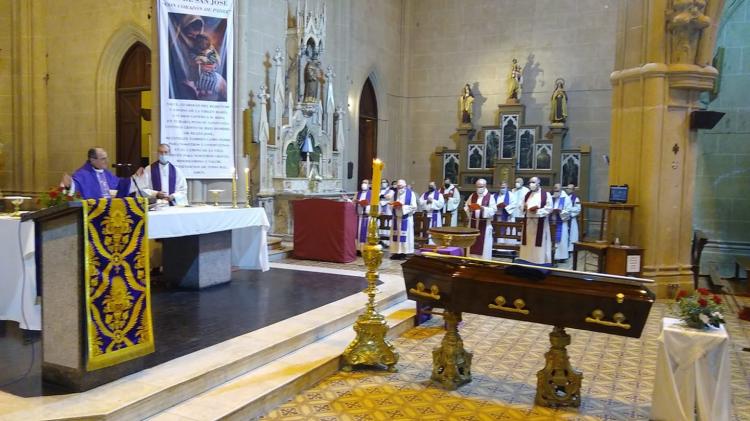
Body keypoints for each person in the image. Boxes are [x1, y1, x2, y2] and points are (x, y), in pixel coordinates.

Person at [169, 14, 227, 101]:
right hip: (189, 79)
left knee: (222, 85)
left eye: (196, 31)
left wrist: (211, 64)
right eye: (190, 32)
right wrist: (198, 63)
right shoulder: (177, 44)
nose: (194, 34)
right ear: (184, 28)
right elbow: (179, 66)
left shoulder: (203, 42)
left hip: (210, 77)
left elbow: (217, 62)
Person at [60, 148, 136, 199]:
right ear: (92, 160)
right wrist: (69, 185)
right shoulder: (82, 174)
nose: (107, 161)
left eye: (107, 158)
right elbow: (75, 186)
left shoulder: (106, 173)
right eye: (103, 159)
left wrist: (135, 178)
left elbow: (120, 184)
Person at [520, 177, 553, 265]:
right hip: (528, 223)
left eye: (533, 182)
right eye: (530, 182)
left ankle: (539, 260)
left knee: (539, 243)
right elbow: (521, 206)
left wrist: (537, 211)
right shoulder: (527, 194)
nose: (531, 184)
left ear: (539, 183)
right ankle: (526, 259)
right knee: (528, 242)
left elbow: (549, 208)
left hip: (540, 222)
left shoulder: (546, 194)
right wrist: (524, 207)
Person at [464, 179, 497, 259]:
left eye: (481, 186)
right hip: (473, 223)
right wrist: (469, 209)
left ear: (485, 186)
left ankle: (484, 260)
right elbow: (466, 206)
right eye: (478, 186)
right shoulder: (472, 196)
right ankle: (471, 259)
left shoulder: (490, 197)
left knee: (484, 245)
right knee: (472, 244)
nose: (479, 188)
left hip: (484, 225)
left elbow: (493, 210)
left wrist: (483, 209)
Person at [388, 179, 417, 260]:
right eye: (398, 186)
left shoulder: (411, 194)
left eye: (401, 186)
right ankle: (396, 252)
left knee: (405, 236)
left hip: (406, 219)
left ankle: (404, 253)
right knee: (396, 236)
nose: (399, 188)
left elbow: (414, 206)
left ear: (405, 186)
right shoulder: (394, 194)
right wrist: (394, 206)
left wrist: (402, 207)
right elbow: (390, 204)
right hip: (396, 219)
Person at [191, 34, 221, 98]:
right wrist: (201, 58)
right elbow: (195, 61)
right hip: (200, 74)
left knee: (212, 81)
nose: (204, 46)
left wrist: (212, 51)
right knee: (201, 82)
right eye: (202, 44)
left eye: (206, 44)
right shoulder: (194, 52)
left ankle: (207, 90)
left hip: (210, 74)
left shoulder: (210, 52)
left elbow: (217, 62)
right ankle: (202, 91)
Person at [550, 183, 572, 261]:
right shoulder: (552, 197)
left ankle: (561, 257)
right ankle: (552, 256)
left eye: (557, 190)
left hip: (561, 222)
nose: (555, 192)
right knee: (552, 239)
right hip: (552, 221)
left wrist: (560, 212)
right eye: (554, 190)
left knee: (562, 239)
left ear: (561, 190)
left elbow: (569, 210)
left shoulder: (565, 198)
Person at [493, 181, 519, 245]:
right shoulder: (494, 195)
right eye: (501, 187)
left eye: (504, 187)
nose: (502, 189)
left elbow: (514, 205)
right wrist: (496, 207)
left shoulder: (511, 195)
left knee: (507, 233)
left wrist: (506, 207)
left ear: (507, 187)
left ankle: (508, 249)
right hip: (497, 218)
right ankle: (497, 247)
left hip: (508, 218)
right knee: (497, 232)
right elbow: (491, 205)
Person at [354, 179, 371, 253]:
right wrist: (349, 200)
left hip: (366, 217)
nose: (363, 184)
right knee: (358, 233)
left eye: (365, 183)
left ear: (369, 185)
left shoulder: (372, 193)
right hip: (359, 216)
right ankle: (357, 249)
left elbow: (376, 204)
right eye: (363, 182)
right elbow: (353, 202)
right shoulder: (358, 193)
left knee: (365, 233)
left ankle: (364, 249)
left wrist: (367, 206)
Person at [566, 184, 582, 253]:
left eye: (570, 189)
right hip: (565, 219)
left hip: (571, 219)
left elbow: (578, 209)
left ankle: (571, 249)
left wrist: (570, 212)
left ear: (573, 190)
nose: (568, 190)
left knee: (572, 234)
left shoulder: (576, 198)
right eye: (567, 188)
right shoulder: (565, 197)